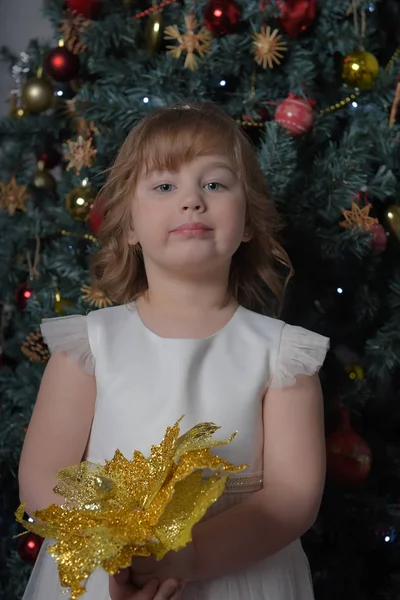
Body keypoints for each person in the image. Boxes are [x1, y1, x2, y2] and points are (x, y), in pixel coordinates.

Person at [18, 102, 329, 600]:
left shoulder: (282, 356)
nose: (192, 201)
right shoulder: (91, 346)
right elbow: (42, 477)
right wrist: (117, 552)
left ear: (248, 222)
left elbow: (292, 499)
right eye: (165, 186)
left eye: (215, 185)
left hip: (239, 573)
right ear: (131, 228)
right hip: (111, 574)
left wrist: (188, 556)